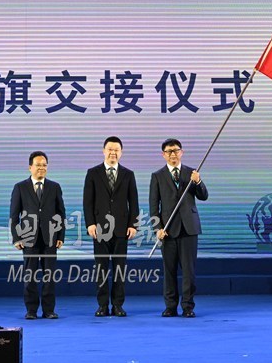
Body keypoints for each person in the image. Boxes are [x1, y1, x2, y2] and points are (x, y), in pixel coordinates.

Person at [149, 138, 208, 318]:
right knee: (169, 271)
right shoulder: (157, 176)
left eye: (175, 150)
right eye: (169, 151)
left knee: (189, 271)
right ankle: (170, 307)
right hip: (168, 230)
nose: (172, 154)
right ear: (163, 155)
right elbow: (154, 205)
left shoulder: (192, 173)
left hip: (189, 229)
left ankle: (188, 307)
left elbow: (203, 196)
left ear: (181, 152)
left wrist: (198, 182)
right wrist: (157, 228)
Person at [83, 136, 139, 317]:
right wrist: (90, 223)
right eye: (110, 149)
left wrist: (133, 225)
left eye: (116, 150)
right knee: (101, 269)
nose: (113, 153)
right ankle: (102, 305)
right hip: (100, 229)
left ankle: (117, 305)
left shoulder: (128, 174)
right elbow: (87, 202)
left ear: (121, 153)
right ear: (103, 151)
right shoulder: (93, 173)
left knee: (119, 269)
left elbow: (134, 202)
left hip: (122, 229)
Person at [10, 150, 66, 320]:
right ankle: (31, 310)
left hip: (50, 238)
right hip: (29, 239)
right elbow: (14, 215)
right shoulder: (20, 187)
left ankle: (49, 310)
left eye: (44, 165)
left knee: (49, 277)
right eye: (38, 165)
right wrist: (16, 237)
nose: (41, 168)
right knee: (30, 276)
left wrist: (60, 236)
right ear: (30, 167)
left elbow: (61, 213)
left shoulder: (54, 187)